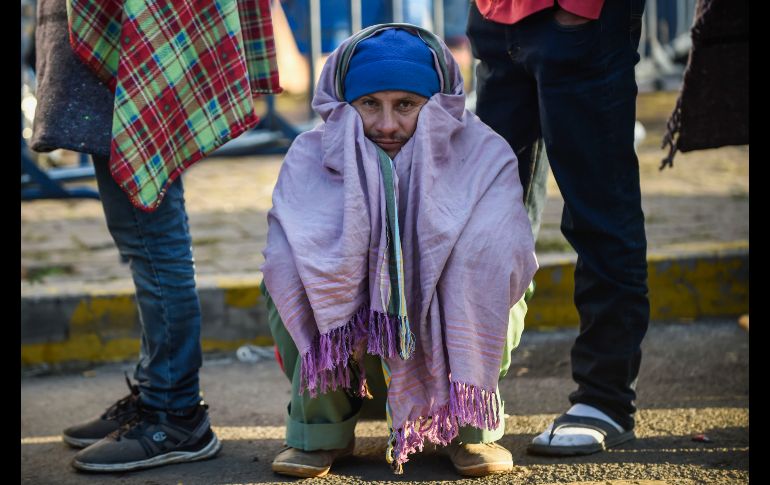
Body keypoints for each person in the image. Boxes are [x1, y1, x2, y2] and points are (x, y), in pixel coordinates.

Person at [260, 25, 538, 478]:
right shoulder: (310, 154)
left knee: (481, 264)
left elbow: (503, 253)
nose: (387, 125)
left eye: (406, 105)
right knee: (292, 265)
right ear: (342, 105)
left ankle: (468, 428)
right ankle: (321, 430)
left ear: (440, 104)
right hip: (356, 348)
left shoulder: (486, 154)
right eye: (369, 104)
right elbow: (287, 253)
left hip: (441, 328)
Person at [28, 0, 280, 472]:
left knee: (152, 237)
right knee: (140, 235)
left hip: (140, 33)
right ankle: (155, 395)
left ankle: (175, 412)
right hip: (124, 35)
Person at [465, 0, 650, 456]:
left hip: (579, 17)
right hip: (495, 17)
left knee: (597, 214)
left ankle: (604, 400)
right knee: (486, 223)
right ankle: (469, 397)